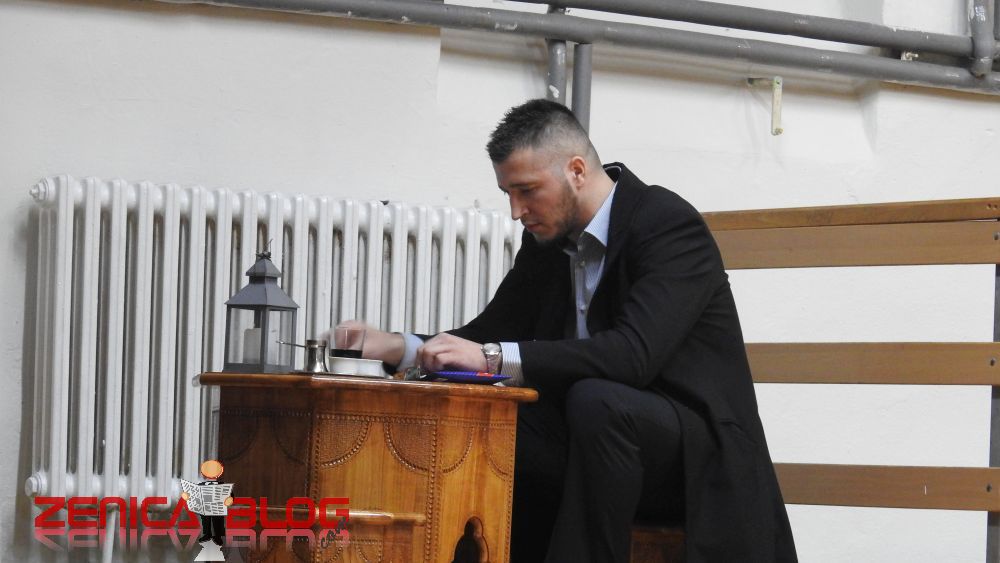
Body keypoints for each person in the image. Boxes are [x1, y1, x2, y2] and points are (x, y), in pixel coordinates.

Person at [347, 98, 796, 562]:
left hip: (692, 463)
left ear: (576, 171)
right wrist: (397, 346)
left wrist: (493, 358)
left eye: (527, 191)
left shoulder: (667, 224)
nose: (516, 211)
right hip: (597, 446)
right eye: (507, 194)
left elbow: (633, 356)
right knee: (491, 418)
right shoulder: (546, 242)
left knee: (596, 400)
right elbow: (486, 333)